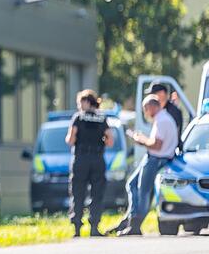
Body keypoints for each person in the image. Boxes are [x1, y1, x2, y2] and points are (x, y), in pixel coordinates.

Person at [112, 95, 178, 236]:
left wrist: (140, 140)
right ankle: (132, 219)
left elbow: (157, 145)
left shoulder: (161, 120)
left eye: (145, 109)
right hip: (158, 158)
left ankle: (135, 224)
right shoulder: (165, 118)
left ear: (152, 106)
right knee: (132, 185)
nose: (145, 113)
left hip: (156, 158)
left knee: (144, 192)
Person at [65, 90, 114, 237]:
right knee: (97, 193)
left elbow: (70, 140)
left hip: (81, 159)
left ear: (87, 102)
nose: (79, 106)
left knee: (78, 192)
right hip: (97, 159)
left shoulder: (78, 117)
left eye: (80, 103)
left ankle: (77, 228)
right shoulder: (101, 118)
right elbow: (110, 141)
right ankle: (94, 227)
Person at [146, 82, 183, 150]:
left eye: (153, 94)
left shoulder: (173, 111)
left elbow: (173, 135)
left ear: (162, 93)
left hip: (169, 154)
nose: (151, 98)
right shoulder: (161, 111)